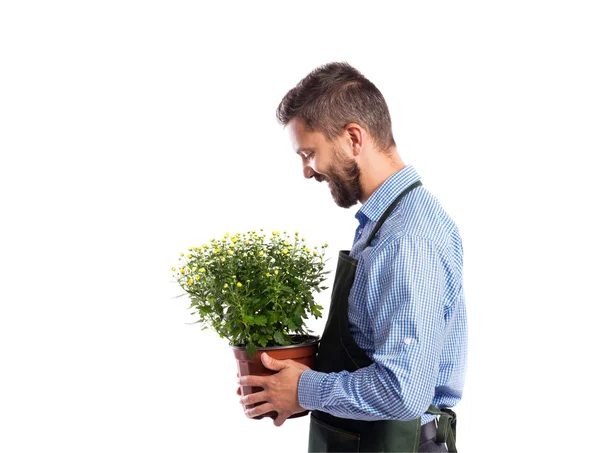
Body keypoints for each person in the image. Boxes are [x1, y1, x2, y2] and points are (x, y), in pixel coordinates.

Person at [237, 62, 467, 453]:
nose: (307, 171)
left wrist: (304, 388)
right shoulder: (386, 222)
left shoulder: (405, 239)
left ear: (353, 139)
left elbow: (402, 391)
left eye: (310, 153)